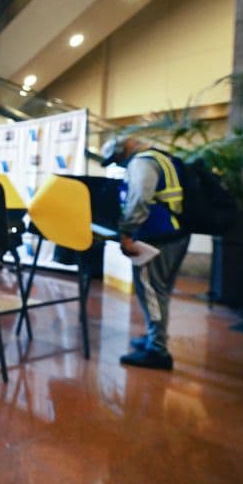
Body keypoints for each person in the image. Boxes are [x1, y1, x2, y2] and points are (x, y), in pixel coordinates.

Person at [100, 135, 191, 370]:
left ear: (126, 148)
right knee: (161, 292)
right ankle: (154, 338)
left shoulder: (141, 162)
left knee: (150, 293)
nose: (117, 164)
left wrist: (127, 233)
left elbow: (139, 198)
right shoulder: (163, 157)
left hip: (156, 238)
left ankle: (157, 351)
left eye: (117, 158)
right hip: (176, 234)